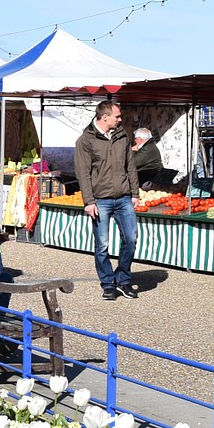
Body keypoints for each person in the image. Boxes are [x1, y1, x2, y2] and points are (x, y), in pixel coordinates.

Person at [74, 99, 138, 300]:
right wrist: (89, 201)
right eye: (117, 116)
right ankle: (108, 283)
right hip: (100, 199)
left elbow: (130, 165)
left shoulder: (122, 135)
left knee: (131, 239)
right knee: (102, 244)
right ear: (105, 117)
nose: (120, 119)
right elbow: (83, 173)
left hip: (123, 197)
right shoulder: (86, 140)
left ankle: (124, 279)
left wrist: (135, 193)